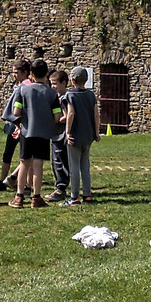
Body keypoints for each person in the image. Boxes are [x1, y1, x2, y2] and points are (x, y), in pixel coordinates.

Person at [11, 59, 59, 209]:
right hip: (44, 133)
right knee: (38, 166)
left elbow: (16, 112)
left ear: (30, 74)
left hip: (27, 132)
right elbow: (57, 117)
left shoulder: (23, 90)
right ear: (46, 73)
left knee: (24, 163)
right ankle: (36, 197)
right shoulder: (52, 93)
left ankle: (19, 197)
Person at [62, 67, 99, 206]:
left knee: (74, 167)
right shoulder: (91, 95)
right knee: (85, 166)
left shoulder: (70, 95)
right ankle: (87, 195)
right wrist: (96, 132)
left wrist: (67, 132)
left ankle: (74, 196)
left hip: (75, 135)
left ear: (72, 80)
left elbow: (70, 113)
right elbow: (96, 114)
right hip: (88, 135)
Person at [0, 62, 28, 193]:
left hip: (23, 125)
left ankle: (24, 183)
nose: (14, 75)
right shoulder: (17, 86)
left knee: (26, 155)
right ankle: (2, 181)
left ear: (25, 72)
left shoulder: (26, 86)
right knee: (7, 153)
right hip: (13, 125)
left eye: (16, 72)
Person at [49, 68, 73, 201]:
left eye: (54, 84)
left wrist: (55, 119)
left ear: (63, 83)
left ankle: (61, 188)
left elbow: (66, 116)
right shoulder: (60, 97)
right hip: (58, 133)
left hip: (60, 134)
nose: (52, 86)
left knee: (59, 161)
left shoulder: (63, 98)